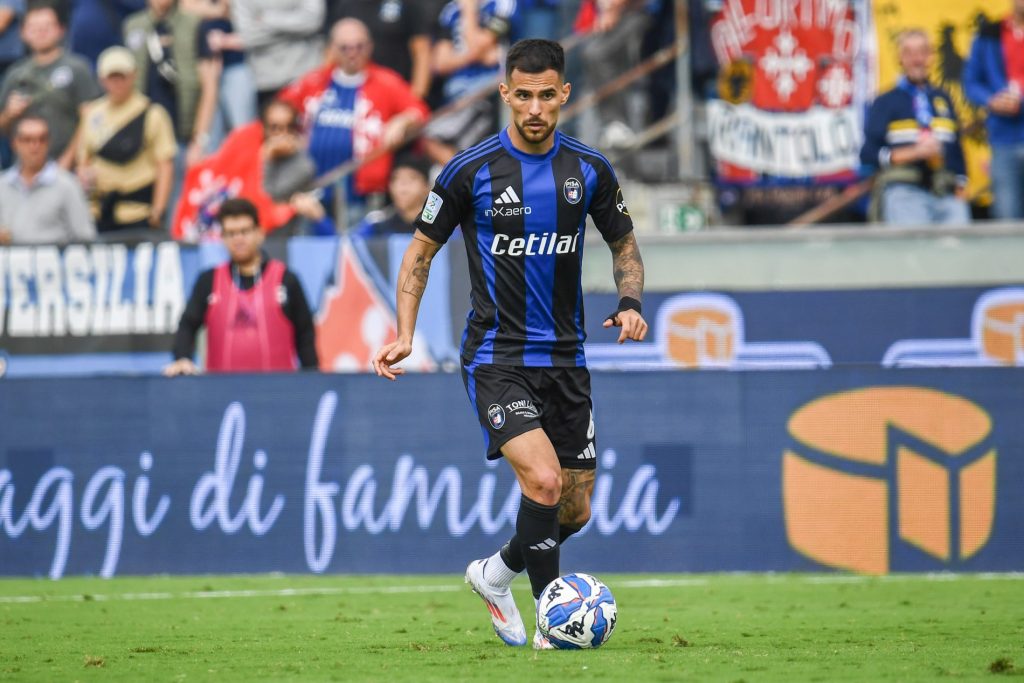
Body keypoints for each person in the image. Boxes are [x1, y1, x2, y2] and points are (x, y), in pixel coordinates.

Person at [372, 38, 647, 649]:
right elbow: (419, 254)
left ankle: (495, 575)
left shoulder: (590, 170)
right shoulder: (468, 171)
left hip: (567, 359)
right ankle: (553, 625)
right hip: (497, 358)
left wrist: (630, 304)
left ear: (564, 94)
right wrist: (405, 332)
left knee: (574, 510)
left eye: (547, 95)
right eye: (523, 95)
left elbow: (624, 244)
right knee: (543, 482)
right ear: (504, 94)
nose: (535, 108)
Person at [277, 17, 428, 227]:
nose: (352, 53)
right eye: (345, 48)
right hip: (312, 189)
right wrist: (289, 137)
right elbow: (278, 109)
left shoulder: (386, 82)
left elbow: (420, 111)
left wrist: (403, 120)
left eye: (359, 46)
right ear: (332, 48)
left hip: (361, 193)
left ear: (370, 47)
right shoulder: (314, 81)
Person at [164, 197, 318, 375]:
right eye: (231, 233)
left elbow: (306, 336)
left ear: (259, 233)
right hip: (221, 390)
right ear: (222, 238)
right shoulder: (208, 281)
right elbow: (187, 325)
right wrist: (182, 358)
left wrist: (312, 380)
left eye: (244, 231)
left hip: (278, 390)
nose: (238, 239)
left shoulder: (287, 280)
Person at [860, 29, 970, 226]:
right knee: (915, 240)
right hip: (904, 189)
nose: (917, 60)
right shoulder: (885, 102)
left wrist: (961, 184)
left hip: (944, 191)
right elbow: (867, 154)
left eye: (922, 52)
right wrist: (912, 153)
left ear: (931, 56)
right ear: (900, 58)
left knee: (959, 234)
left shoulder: (942, 98)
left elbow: (956, 148)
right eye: (909, 53)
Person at [78, 46, 177, 234]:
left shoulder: (152, 113)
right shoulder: (92, 113)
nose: (117, 83)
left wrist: (158, 210)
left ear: (133, 76)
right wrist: (84, 177)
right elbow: (84, 159)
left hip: (138, 211)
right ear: (102, 79)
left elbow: (165, 165)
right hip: (100, 211)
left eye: (122, 76)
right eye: (112, 77)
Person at [0, 1, 101, 170]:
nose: (41, 32)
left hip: (67, 167)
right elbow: (2, 127)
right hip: (23, 171)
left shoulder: (77, 68)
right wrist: (9, 114)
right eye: (34, 27)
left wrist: (68, 161)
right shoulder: (15, 74)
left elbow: (91, 119)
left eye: (47, 26)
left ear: (61, 29)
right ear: (23, 32)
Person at [123, 0, 219, 167]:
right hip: (143, 136)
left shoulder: (193, 24)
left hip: (183, 133)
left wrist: (199, 141)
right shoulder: (133, 26)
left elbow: (209, 87)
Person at [422, 0, 517, 165]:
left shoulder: (502, 4)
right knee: (431, 139)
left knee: (432, 137)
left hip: (487, 91)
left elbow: (477, 46)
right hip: (455, 96)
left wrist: (469, 10)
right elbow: (439, 63)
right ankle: (467, 175)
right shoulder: (451, 10)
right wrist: (476, 55)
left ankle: (465, 174)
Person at [964, 0, 1024, 220]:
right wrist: (991, 100)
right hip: (1003, 139)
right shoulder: (989, 33)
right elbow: (971, 82)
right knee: (1006, 217)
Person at [0, 114, 96, 244]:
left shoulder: (67, 185)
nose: (35, 146)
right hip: (10, 257)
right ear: (14, 143)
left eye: (41, 139)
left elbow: (86, 238)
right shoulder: (2, 185)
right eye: (27, 140)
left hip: (56, 256)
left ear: (48, 143)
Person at [325, 0, 432, 100]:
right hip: (354, 93)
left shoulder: (408, 4)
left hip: (396, 90)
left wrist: (416, 96)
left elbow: (422, 51)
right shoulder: (347, 4)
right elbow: (333, 51)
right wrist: (324, 88)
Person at [230, 0, 324, 109]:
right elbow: (247, 36)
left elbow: (313, 21)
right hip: (266, 80)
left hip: (306, 73)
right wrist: (295, 31)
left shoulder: (266, 18)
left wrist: (267, 19)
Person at [351, 153, 432, 237]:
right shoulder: (377, 225)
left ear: (427, 186)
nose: (402, 186)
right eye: (396, 178)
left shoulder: (436, 228)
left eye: (411, 178)